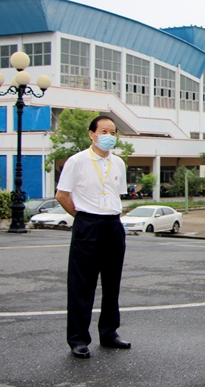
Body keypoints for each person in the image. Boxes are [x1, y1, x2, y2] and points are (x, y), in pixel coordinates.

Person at [55, 115, 130, 359]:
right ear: (92, 134)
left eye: (113, 132)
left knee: (112, 283)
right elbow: (62, 195)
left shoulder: (118, 163)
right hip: (88, 223)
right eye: (104, 131)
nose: (109, 136)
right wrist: (83, 217)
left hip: (113, 225)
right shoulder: (77, 161)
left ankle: (109, 333)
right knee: (82, 285)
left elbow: (116, 194)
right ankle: (78, 339)